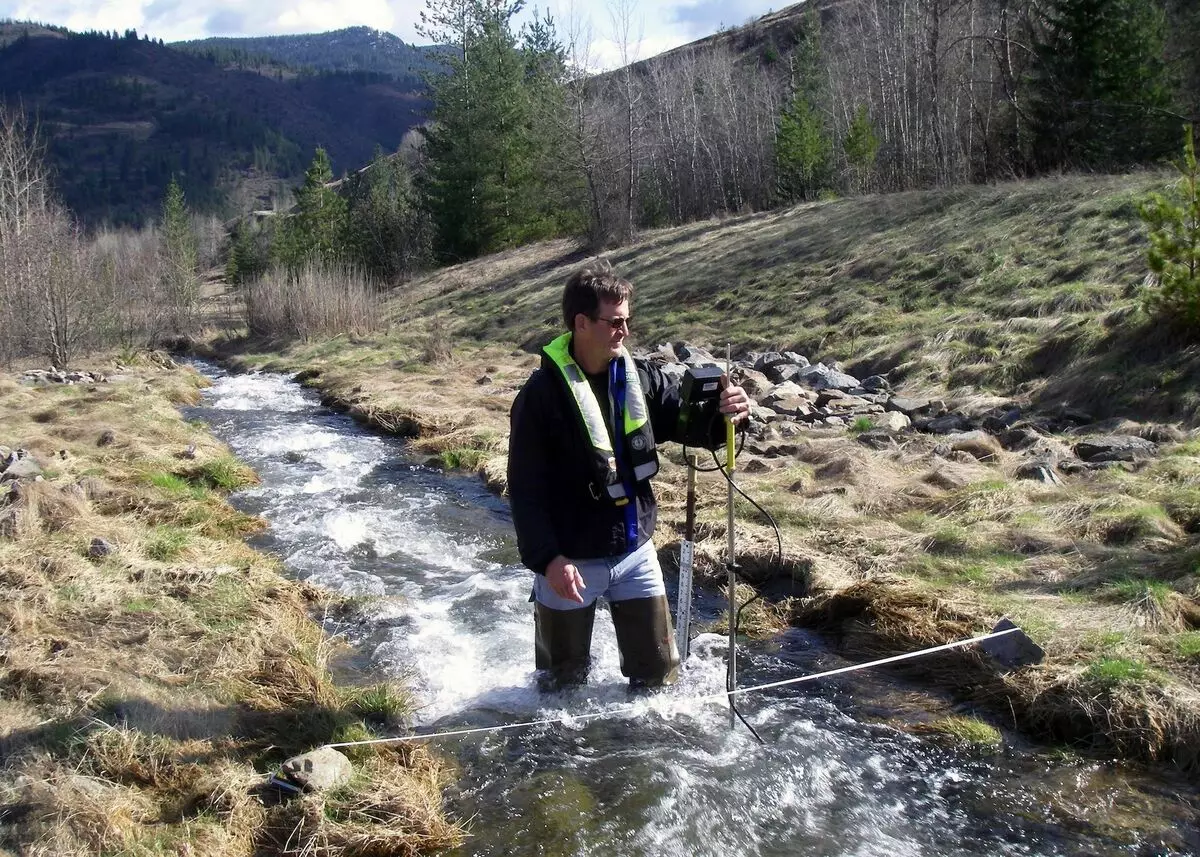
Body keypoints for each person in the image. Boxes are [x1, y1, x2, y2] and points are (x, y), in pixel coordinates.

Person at [507, 261, 751, 690]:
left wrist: (728, 415)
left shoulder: (640, 378)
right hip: (569, 560)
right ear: (581, 323)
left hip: (634, 551)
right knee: (559, 688)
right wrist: (548, 560)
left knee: (658, 678)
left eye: (627, 321)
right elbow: (525, 490)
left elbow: (691, 426)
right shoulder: (539, 397)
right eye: (614, 322)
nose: (624, 331)